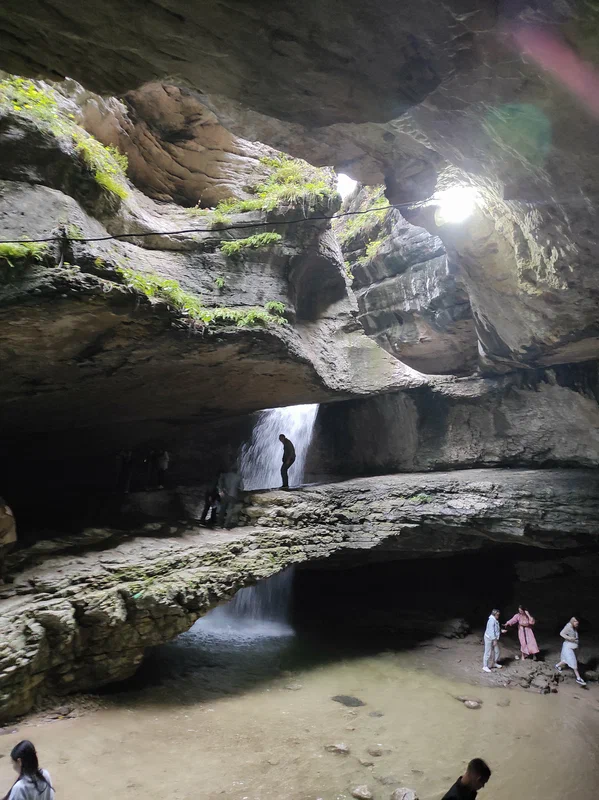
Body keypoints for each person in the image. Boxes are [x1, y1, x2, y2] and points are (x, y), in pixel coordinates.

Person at [555, 616, 586, 686]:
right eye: (576, 623)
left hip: (573, 646)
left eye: (578, 623)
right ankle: (578, 678)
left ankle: (557, 666)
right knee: (573, 662)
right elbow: (561, 633)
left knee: (567, 660)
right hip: (568, 647)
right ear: (573, 622)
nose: (577, 625)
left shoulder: (574, 627)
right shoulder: (568, 626)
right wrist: (569, 638)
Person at [0, 497, 17, 585]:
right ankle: (4, 577)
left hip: (6, 540)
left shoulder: (4, 511)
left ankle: (2, 578)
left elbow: (5, 525)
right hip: (6, 539)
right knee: (1, 558)